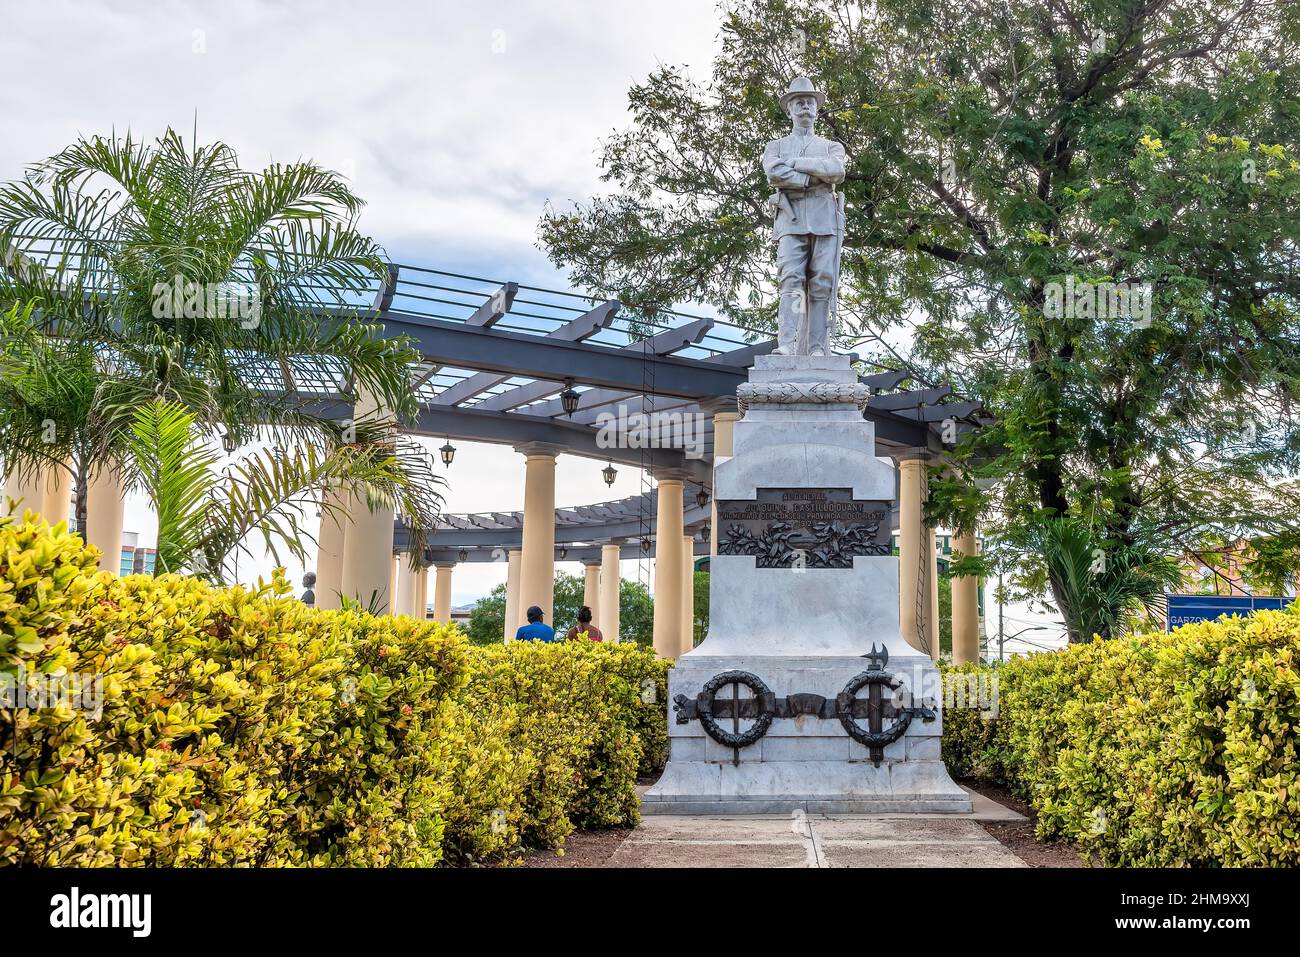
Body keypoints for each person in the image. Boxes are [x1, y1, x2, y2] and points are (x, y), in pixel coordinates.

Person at [761, 76, 846, 357]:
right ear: (789, 109)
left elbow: (836, 171)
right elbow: (774, 172)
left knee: (822, 281)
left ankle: (818, 348)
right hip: (791, 219)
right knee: (791, 279)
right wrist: (811, 179)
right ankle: (786, 343)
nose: (806, 107)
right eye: (799, 102)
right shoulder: (775, 146)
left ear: (817, 108)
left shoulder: (832, 146)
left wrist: (797, 164)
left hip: (825, 221)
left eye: (810, 102)